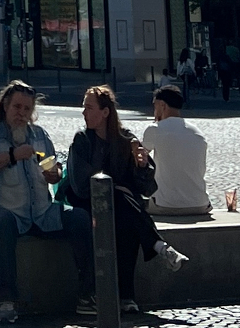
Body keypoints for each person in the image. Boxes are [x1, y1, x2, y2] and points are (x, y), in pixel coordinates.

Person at [64, 85, 186, 315]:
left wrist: (142, 166)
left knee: (127, 221)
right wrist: (113, 186)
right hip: (88, 204)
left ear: (105, 112)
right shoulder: (82, 140)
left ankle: (126, 296)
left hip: (121, 208)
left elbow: (146, 188)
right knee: (119, 196)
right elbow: (81, 184)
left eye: (89, 108)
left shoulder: (125, 139)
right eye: (84, 108)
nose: (83, 113)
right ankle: (159, 247)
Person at [0, 80, 73, 325]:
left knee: (78, 218)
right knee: (4, 223)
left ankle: (91, 292)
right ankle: (7, 300)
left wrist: (54, 175)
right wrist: (12, 156)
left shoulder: (39, 135)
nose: (21, 114)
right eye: (17, 107)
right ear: (5, 105)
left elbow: (54, 169)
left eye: (27, 109)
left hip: (39, 212)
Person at [140, 84, 213, 218]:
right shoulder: (197, 133)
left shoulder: (155, 129)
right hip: (201, 204)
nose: (154, 111)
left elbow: (139, 158)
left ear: (163, 105)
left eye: (155, 106)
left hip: (166, 205)